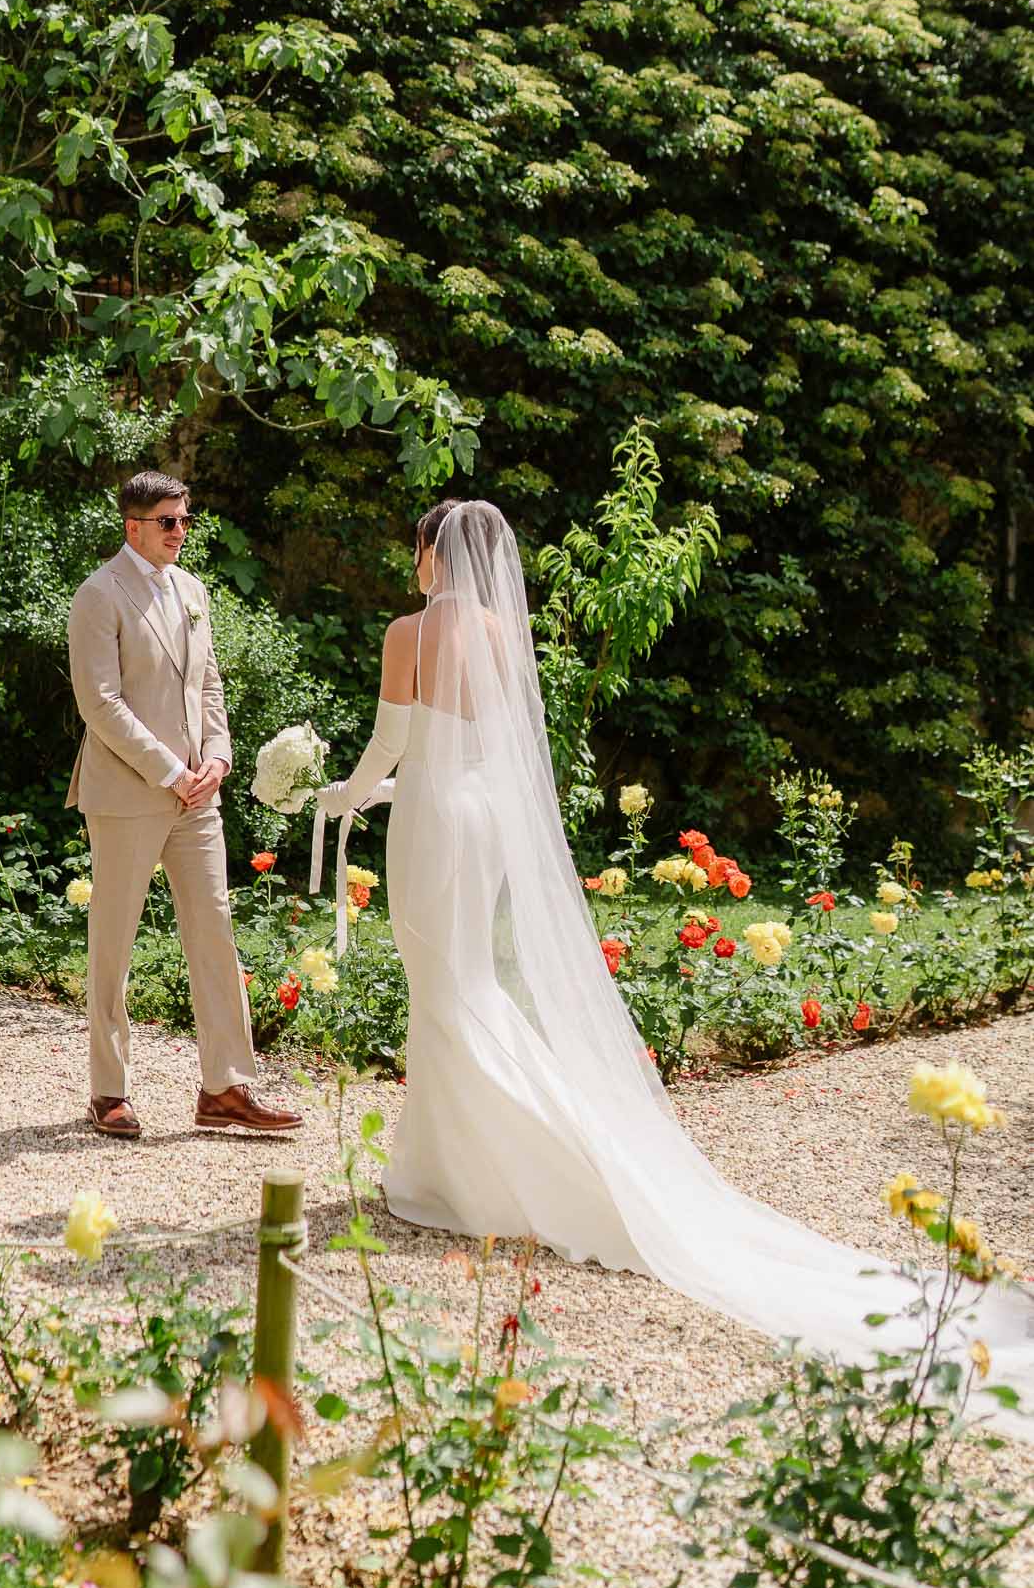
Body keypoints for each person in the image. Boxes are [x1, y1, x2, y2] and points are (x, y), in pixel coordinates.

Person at [317, 499, 1034, 1431]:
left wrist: (338, 798)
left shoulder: (408, 631)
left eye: (412, 547)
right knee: (470, 982)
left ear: (428, 551)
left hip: (430, 815)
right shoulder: (501, 630)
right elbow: (498, 746)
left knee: (443, 985)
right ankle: (455, 1160)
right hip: (487, 815)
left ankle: (483, 1169)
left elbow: (390, 747)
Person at [66, 470, 302, 1140]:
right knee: (113, 941)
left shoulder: (194, 591)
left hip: (197, 796)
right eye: (167, 521)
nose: (179, 532)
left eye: (184, 520)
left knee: (214, 933)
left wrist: (219, 759)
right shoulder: (97, 595)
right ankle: (108, 1091)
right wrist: (171, 770)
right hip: (127, 793)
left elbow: (210, 688)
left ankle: (225, 1087)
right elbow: (100, 704)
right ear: (132, 526)